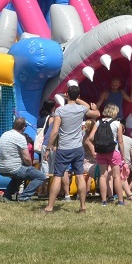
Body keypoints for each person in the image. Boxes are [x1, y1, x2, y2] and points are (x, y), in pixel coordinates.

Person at [43, 82, 100, 213]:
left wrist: (48, 147)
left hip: (63, 148)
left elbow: (55, 131)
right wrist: (75, 97)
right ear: (78, 95)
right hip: (77, 148)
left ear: (67, 95)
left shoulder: (60, 110)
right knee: (80, 176)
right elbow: (88, 107)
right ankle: (83, 207)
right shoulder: (81, 109)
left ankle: (50, 207)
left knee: (57, 176)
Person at [0, 117, 47, 202]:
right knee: (41, 176)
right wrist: (30, 165)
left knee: (19, 177)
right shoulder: (20, 137)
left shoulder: (5, 134)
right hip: (13, 168)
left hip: (0, 167)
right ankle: (25, 196)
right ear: (24, 127)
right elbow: (27, 158)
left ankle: (7, 195)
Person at [88, 103, 130, 206]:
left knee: (103, 176)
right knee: (116, 176)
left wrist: (96, 145)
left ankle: (103, 200)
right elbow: (120, 141)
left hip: (101, 152)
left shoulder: (98, 123)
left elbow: (90, 138)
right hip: (113, 152)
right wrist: (123, 155)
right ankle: (120, 200)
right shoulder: (117, 124)